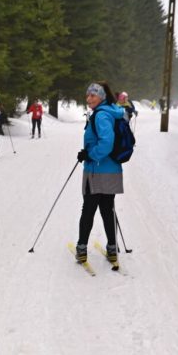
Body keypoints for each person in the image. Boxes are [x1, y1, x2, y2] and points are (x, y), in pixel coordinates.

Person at [75, 81, 124, 264]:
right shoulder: (112, 112)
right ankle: (112, 249)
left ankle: (81, 249)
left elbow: (106, 142)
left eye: (93, 95)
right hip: (111, 171)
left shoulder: (101, 115)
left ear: (102, 97)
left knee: (88, 209)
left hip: (96, 171)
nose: (89, 99)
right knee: (107, 209)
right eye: (88, 95)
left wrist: (90, 154)